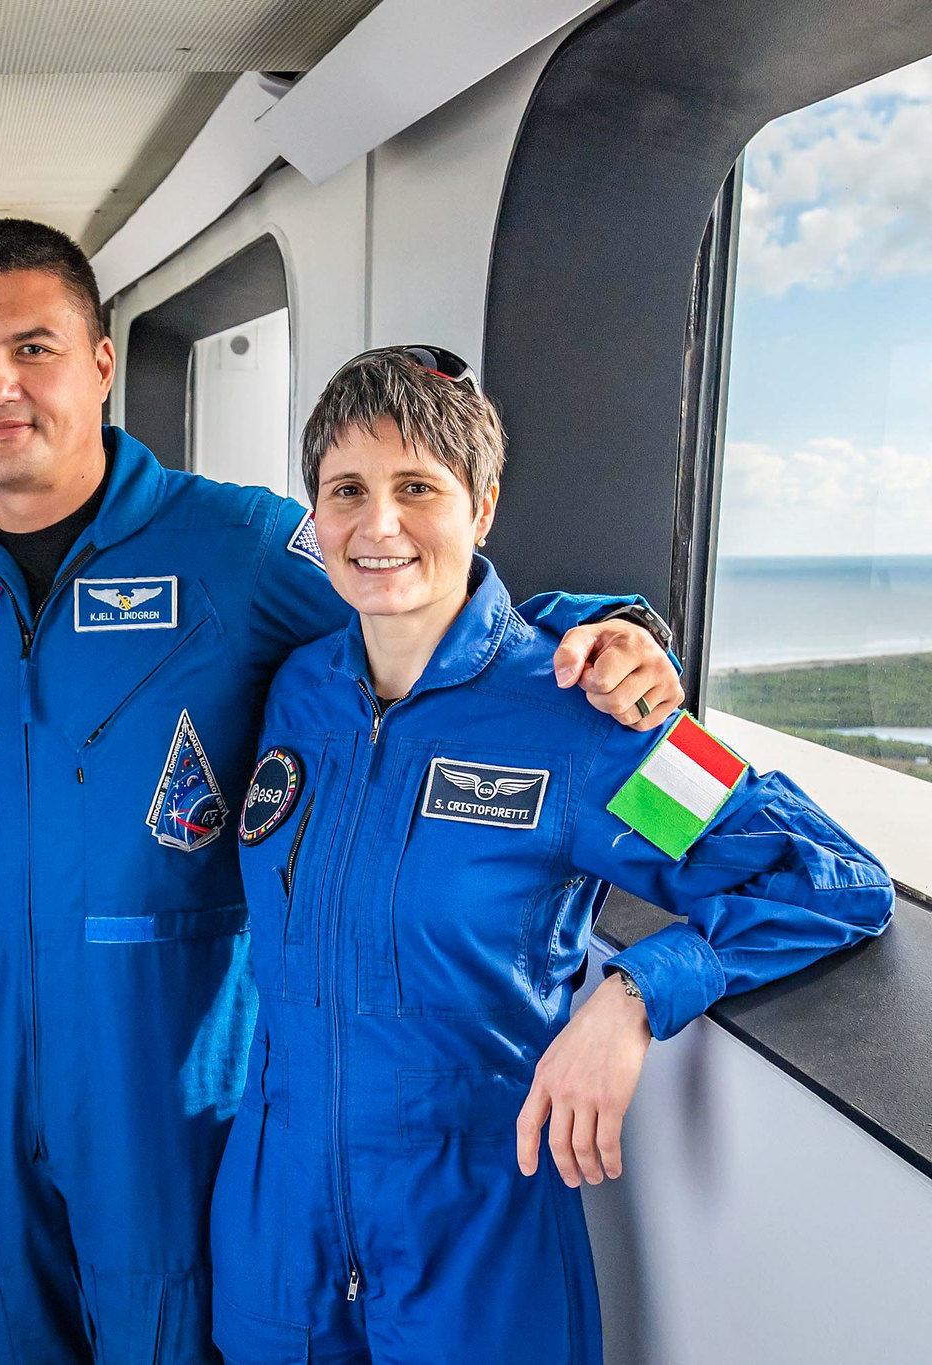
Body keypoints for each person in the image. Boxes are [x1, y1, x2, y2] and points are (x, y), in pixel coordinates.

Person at [0, 219, 687, 1364]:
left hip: (169, 1051)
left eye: (33, 346)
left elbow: (427, 620)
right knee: (4, 1311)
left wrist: (605, 636)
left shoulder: (244, 546)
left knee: (161, 1316)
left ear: (101, 362)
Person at [210, 349, 891, 1364]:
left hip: (471, 1221)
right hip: (272, 1209)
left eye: (416, 489)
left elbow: (826, 875)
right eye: (344, 490)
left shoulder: (592, 721)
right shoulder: (293, 690)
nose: (376, 525)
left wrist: (633, 994)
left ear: (481, 507)